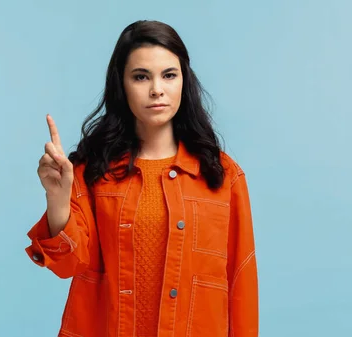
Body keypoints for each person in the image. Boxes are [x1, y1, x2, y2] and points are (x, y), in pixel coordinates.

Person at [25, 20, 258, 337]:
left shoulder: (222, 175)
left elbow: (241, 280)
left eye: (169, 75)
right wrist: (57, 197)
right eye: (141, 76)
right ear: (122, 85)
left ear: (184, 81)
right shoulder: (92, 171)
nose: (156, 89)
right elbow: (68, 265)